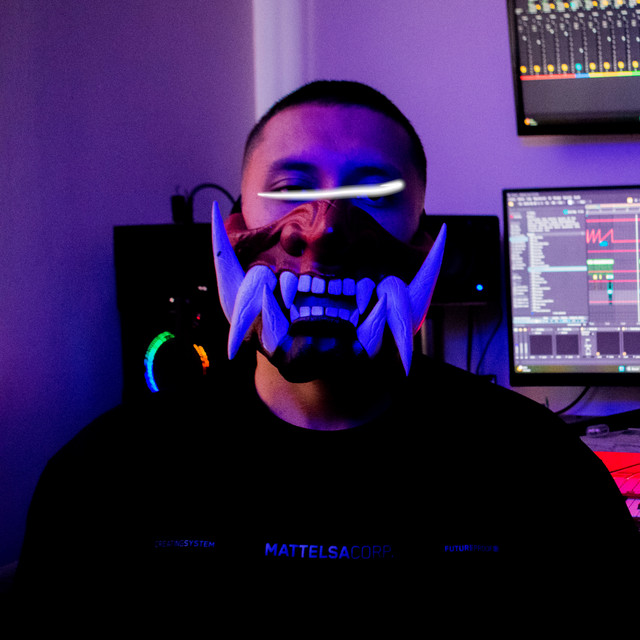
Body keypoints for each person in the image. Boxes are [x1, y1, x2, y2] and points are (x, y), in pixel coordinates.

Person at [10, 80, 639, 626]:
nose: (327, 230)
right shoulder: (103, 478)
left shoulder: (544, 473)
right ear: (234, 228)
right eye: (290, 189)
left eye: (375, 192)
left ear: (422, 241)